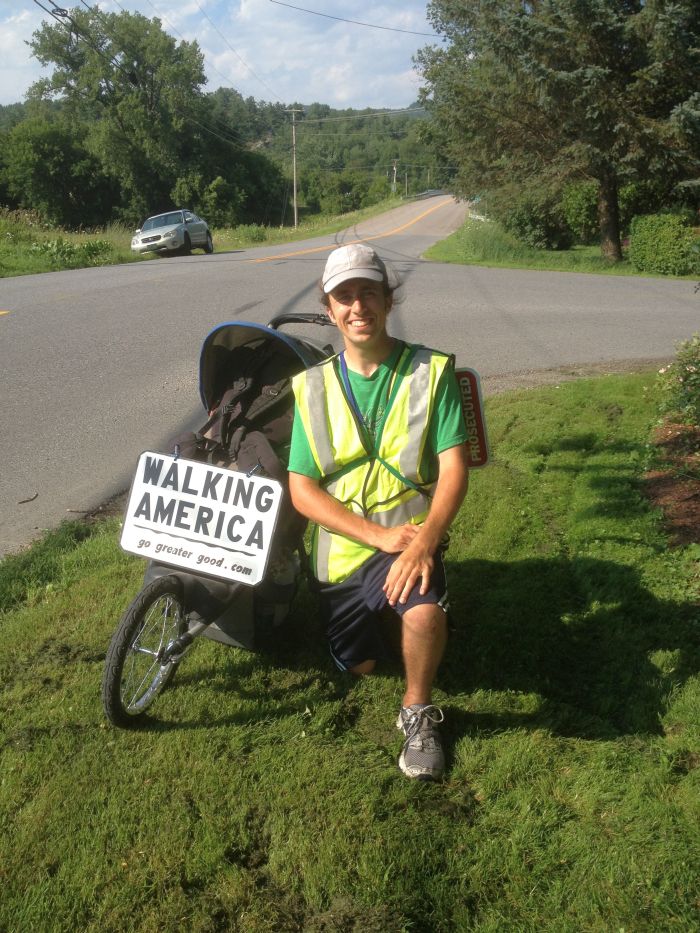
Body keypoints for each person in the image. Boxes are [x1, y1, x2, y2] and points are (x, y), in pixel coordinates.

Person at [288, 243, 469, 781]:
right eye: (344, 296)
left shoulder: (431, 372)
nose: (358, 306)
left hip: (410, 541)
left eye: (368, 292)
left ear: (389, 300)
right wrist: (376, 536)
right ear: (329, 309)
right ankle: (384, 622)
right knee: (360, 666)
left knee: (424, 613)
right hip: (342, 556)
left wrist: (423, 544)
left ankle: (418, 712)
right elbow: (301, 489)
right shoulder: (312, 386)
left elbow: (454, 470)